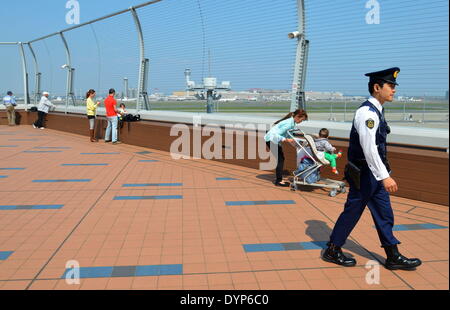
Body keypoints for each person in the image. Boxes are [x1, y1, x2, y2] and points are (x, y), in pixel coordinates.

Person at [322, 67, 422, 270]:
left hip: (375, 174)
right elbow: (369, 149)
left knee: (385, 213)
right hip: (365, 174)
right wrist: (385, 176)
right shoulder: (367, 113)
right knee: (352, 212)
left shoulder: (377, 111)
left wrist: (383, 175)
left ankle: (392, 255)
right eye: (390, 86)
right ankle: (333, 249)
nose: (394, 90)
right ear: (377, 87)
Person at [264, 109, 308, 186]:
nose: (301, 121)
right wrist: (286, 139)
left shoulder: (291, 123)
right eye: (302, 119)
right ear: (297, 116)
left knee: (281, 159)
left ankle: (279, 178)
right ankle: (278, 181)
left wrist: (295, 142)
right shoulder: (288, 123)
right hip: (272, 139)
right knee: (281, 159)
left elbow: (288, 135)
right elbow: (276, 135)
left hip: (272, 139)